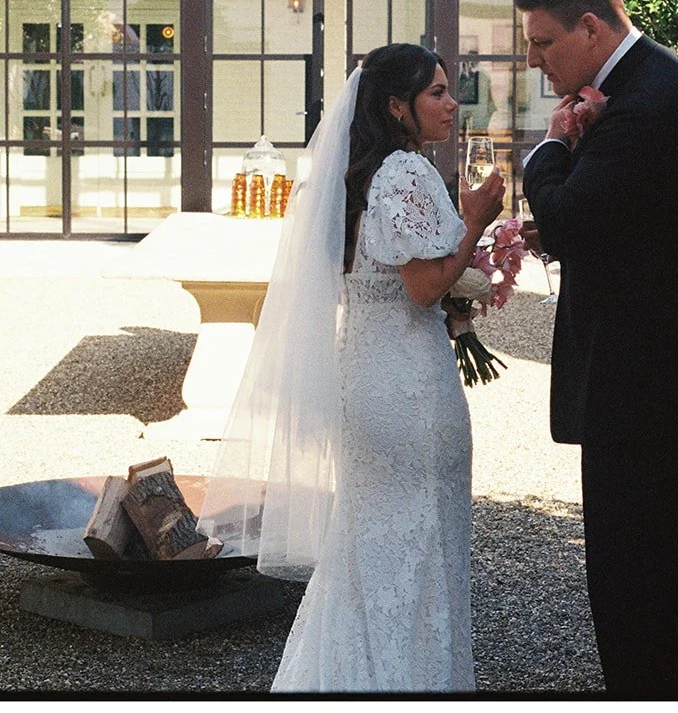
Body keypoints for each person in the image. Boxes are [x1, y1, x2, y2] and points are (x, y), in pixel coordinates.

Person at [199, 42, 505, 692]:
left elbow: (385, 279)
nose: (453, 104)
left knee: (372, 548)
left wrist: (459, 302)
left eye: (451, 91)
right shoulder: (407, 173)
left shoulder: (362, 177)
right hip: (408, 385)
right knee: (419, 546)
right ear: (397, 107)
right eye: (437, 93)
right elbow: (423, 286)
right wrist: (476, 222)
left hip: (366, 375)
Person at [514, 0, 678, 696]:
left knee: (639, 574)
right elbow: (616, 221)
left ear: (590, 28)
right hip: (665, 371)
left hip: (660, 382)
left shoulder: (646, 103)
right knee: (663, 566)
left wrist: (552, 149)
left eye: (542, 43)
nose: (533, 60)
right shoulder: (638, 86)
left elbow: (569, 217)